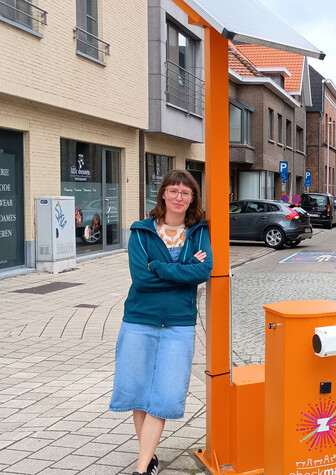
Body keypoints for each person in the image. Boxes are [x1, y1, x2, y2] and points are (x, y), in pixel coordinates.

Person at [109, 170, 213, 475]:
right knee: (140, 391)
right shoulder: (141, 232)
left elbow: (204, 271)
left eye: (186, 193)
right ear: (163, 194)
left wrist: (160, 267)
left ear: (192, 198)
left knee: (165, 393)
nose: (179, 197)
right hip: (139, 321)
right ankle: (147, 461)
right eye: (173, 191)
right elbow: (142, 280)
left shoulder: (199, 231)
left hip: (179, 325)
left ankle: (141, 469)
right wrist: (183, 270)